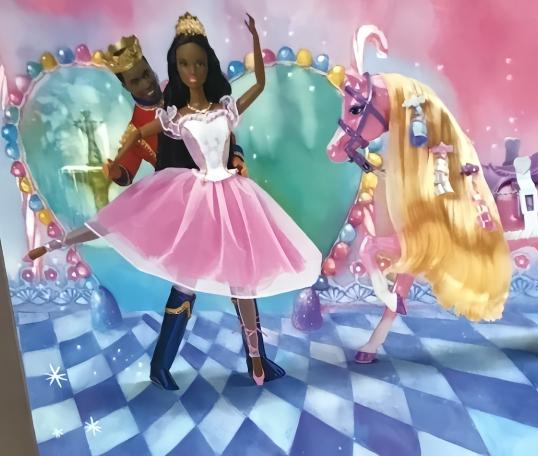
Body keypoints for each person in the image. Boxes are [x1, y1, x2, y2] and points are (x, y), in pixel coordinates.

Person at [30, 12, 321, 387]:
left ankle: (256, 359)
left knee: (242, 277)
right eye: (136, 80)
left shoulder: (193, 99)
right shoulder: (154, 120)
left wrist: (235, 157)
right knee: (185, 285)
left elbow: (228, 129)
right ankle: (161, 365)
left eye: (146, 74)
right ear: (127, 86)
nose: (146, 83)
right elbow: (130, 164)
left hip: (225, 196)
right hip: (180, 201)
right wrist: (117, 165)